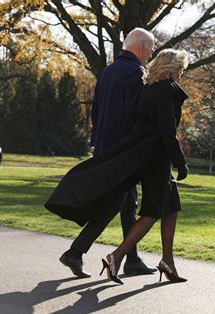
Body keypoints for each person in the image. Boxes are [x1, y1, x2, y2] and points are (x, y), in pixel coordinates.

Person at [45, 48, 189, 285]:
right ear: (172, 69)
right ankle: (117, 256)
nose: (182, 75)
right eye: (181, 70)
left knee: (170, 205)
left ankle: (167, 261)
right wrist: (180, 161)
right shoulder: (166, 90)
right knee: (152, 211)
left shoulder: (149, 88)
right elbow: (167, 130)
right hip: (156, 159)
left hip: (140, 156)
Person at [55, 28, 157, 278]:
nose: (151, 55)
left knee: (127, 202)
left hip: (105, 148)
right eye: (151, 50)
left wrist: (97, 143)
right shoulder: (136, 73)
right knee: (116, 202)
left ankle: (130, 258)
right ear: (142, 47)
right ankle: (76, 252)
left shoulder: (108, 72)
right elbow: (136, 115)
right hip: (124, 152)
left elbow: (96, 113)